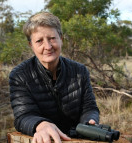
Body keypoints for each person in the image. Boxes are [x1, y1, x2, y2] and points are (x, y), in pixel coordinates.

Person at [9, 12, 100, 143]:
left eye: (52, 38)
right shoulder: (19, 75)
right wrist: (41, 125)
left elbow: (90, 107)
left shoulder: (79, 71)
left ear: (61, 39)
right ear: (31, 45)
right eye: (39, 41)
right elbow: (23, 116)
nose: (48, 46)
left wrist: (88, 123)